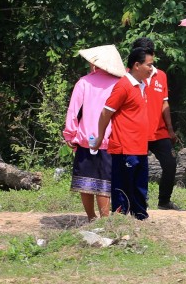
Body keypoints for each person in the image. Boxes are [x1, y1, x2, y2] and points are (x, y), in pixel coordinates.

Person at [92, 47, 154, 220]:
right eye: (149, 65)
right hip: (124, 147)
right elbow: (106, 113)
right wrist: (99, 137)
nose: (152, 68)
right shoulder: (123, 86)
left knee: (140, 186)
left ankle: (140, 217)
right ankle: (119, 221)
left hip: (140, 147)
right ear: (136, 65)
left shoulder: (142, 85)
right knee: (123, 187)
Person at [64, 45, 123, 220]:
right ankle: (105, 218)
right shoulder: (119, 83)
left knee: (85, 181)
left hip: (86, 138)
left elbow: (73, 111)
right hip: (109, 138)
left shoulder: (84, 82)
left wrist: (70, 134)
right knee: (105, 181)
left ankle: (91, 216)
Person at [133, 38, 178, 210]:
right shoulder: (128, 76)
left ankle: (164, 201)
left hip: (159, 131)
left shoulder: (162, 76)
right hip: (138, 132)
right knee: (138, 167)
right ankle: (140, 200)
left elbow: (164, 103)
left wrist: (170, 129)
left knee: (170, 164)